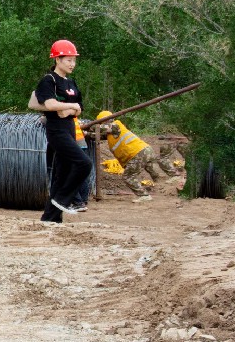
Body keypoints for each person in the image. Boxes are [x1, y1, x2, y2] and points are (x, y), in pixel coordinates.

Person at [30, 40, 92, 223]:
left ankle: (50, 218)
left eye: (74, 60)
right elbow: (48, 104)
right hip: (57, 131)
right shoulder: (49, 80)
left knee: (61, 174)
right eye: (68, 60)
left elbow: (79, 107)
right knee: (84, 164)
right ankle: (64, 201)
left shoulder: (71, 83)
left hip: (70, 128)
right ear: (58, 59)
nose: (72, 64)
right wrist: (68, 106)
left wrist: (67, 108)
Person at [94, 110, 181, 202]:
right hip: (146, 150)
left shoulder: (115, 125)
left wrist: (87, 126)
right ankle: (170, 178)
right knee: (154, 173)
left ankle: (144, 195)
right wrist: (87, 134)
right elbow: (97, 134)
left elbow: (98, 128)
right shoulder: (112, 132)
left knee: (128, 177)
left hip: (137, 154)